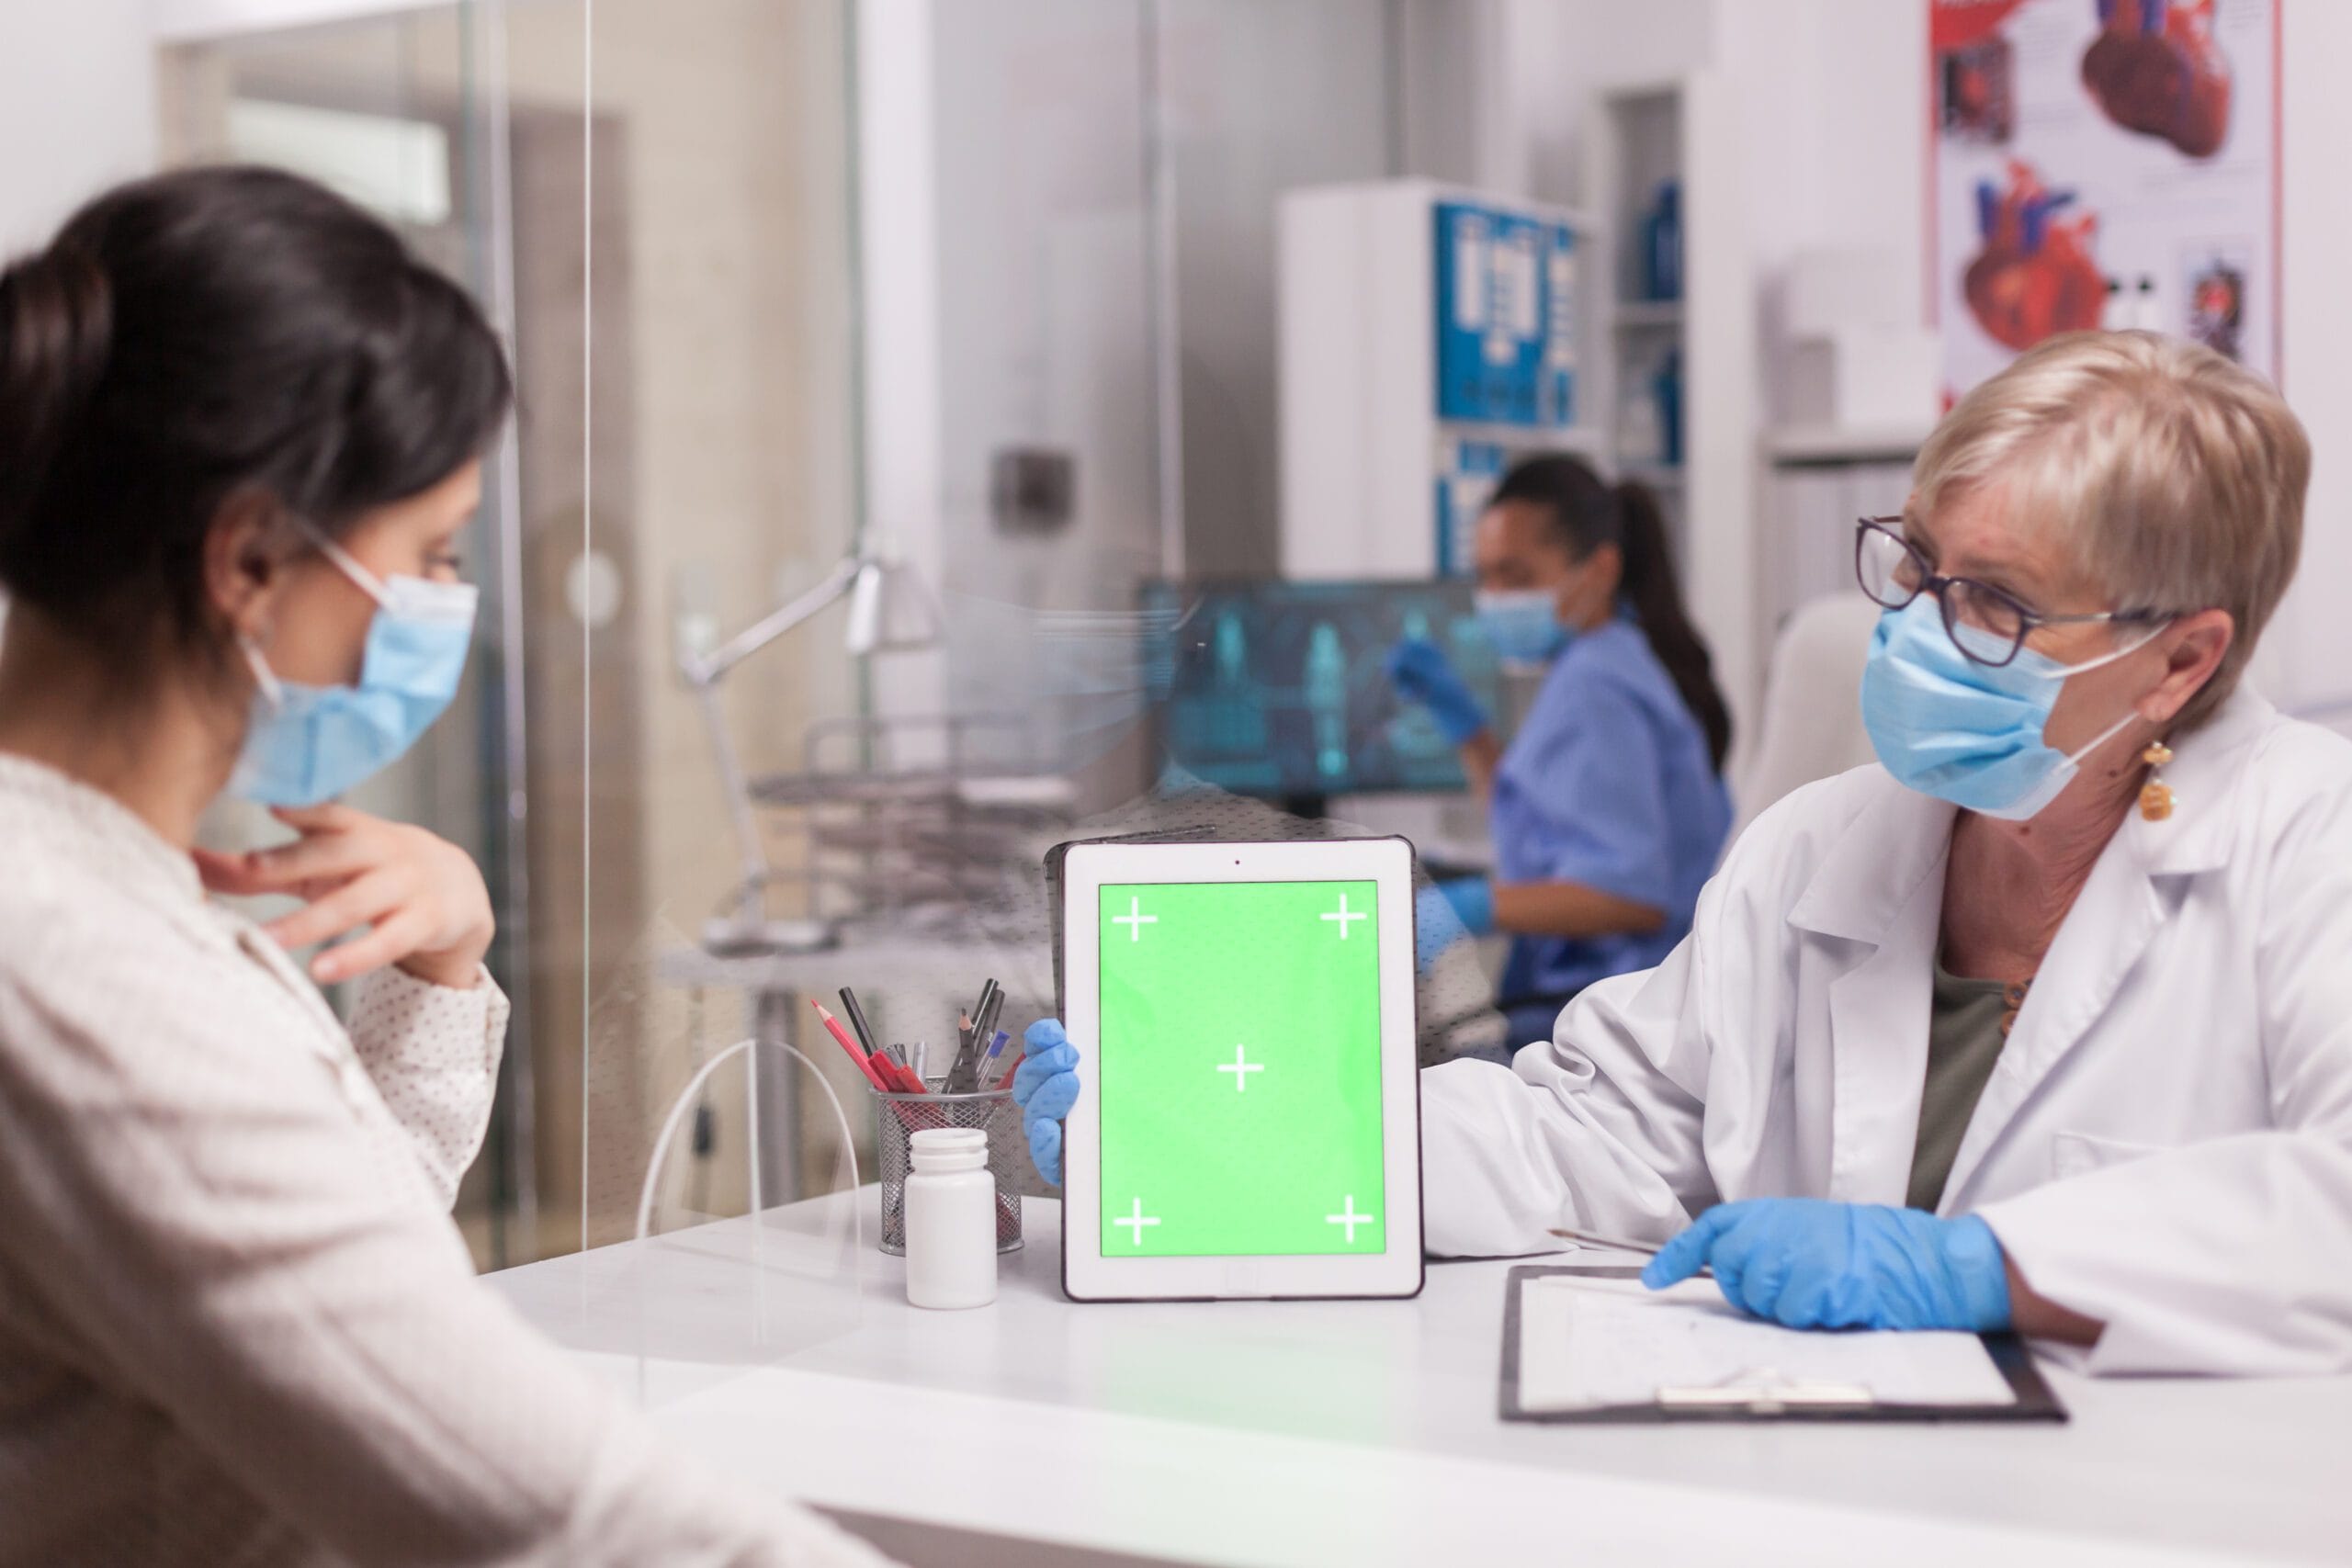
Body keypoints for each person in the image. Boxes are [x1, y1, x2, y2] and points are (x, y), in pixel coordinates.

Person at [1015, 331, 2352, 1377]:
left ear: (2180, 658)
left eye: (1995, 603)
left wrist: (1982, 1266)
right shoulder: (1823, 845)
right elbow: (1587, 1127)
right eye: (1920, 567)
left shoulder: (2311, 846)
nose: (1921, 630)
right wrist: (1211, 1138)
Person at [0, 168, 893, 1565]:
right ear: (247, 556)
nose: (442, 609)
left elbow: (319, 1299)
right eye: (428, 553)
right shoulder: (64, 958)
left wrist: (440, 968)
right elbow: (561, 1515)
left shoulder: (103, 887)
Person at [1385, 455, 1734, 1047]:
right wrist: (1468, 729)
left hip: (1615, 1024)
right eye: (1485, 576)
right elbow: (1546, 833)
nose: (1493, 597)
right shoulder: (1607, 658)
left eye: (1516, 577)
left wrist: (1471, 906)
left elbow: (1631, 895)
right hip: (1607, 1008)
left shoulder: (1597, 683)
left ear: (1599, 569)